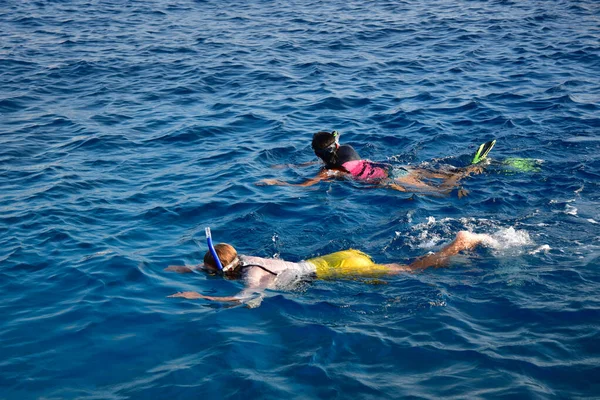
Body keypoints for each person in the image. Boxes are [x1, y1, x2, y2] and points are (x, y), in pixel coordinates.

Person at [167, 229, 495, 304]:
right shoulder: (243, 259)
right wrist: (185, 269)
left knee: (412, 270)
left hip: (335, 270)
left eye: (208, 269)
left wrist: (201, 297)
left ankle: (459, 243)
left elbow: (244, 299)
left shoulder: (252, 274)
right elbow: (218, 266)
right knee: (396, 271)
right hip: (333, 259)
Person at [259, 131, 496, 196]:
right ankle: (463, 170)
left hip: (387, 180)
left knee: (441, 193)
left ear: (318, 154)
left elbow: (305, 185)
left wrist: (276, 181)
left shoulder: (329, 171)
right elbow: (331, 151)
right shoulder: (348, 150)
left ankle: (465, 175)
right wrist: (290, 167)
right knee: (437, 174)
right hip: (391, 168)